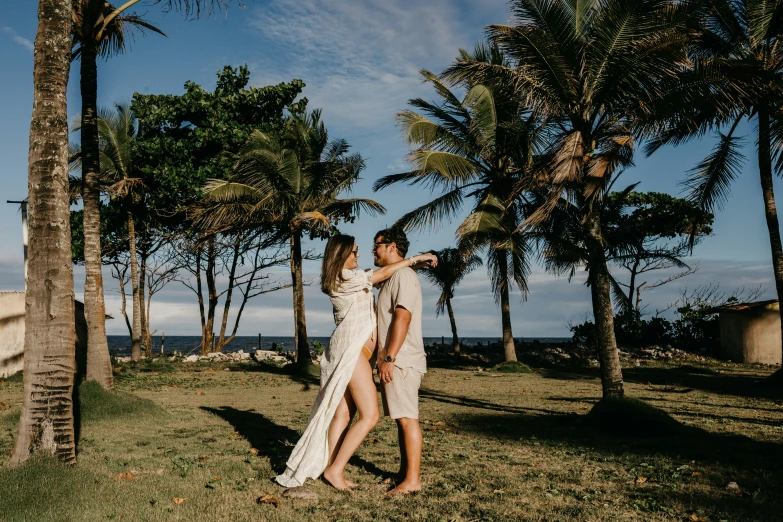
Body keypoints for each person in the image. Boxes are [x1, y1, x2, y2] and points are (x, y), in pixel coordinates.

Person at [275, 234, 437, 490]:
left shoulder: (350, 278)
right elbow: (383, 275)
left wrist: (412, 265)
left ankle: (329, 467)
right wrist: (416, 258)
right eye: (354, 252)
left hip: (352, 350)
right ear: (340, 255)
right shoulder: (344, 277)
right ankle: (335, 471)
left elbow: (389, 274)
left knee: (343, 413)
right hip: (352, 350)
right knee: (370, 415)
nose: (359, 255)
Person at [373, 227, 428, 495]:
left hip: (402, 360)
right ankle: (404, 474)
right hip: (398, 359)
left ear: (392, 247)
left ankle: (413, 480)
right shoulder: (392, 277)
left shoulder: (403, 276)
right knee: (401, 418)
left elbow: (402, 317)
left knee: (407, 418)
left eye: (378, 246)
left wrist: (390, 358)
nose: (374, 250)